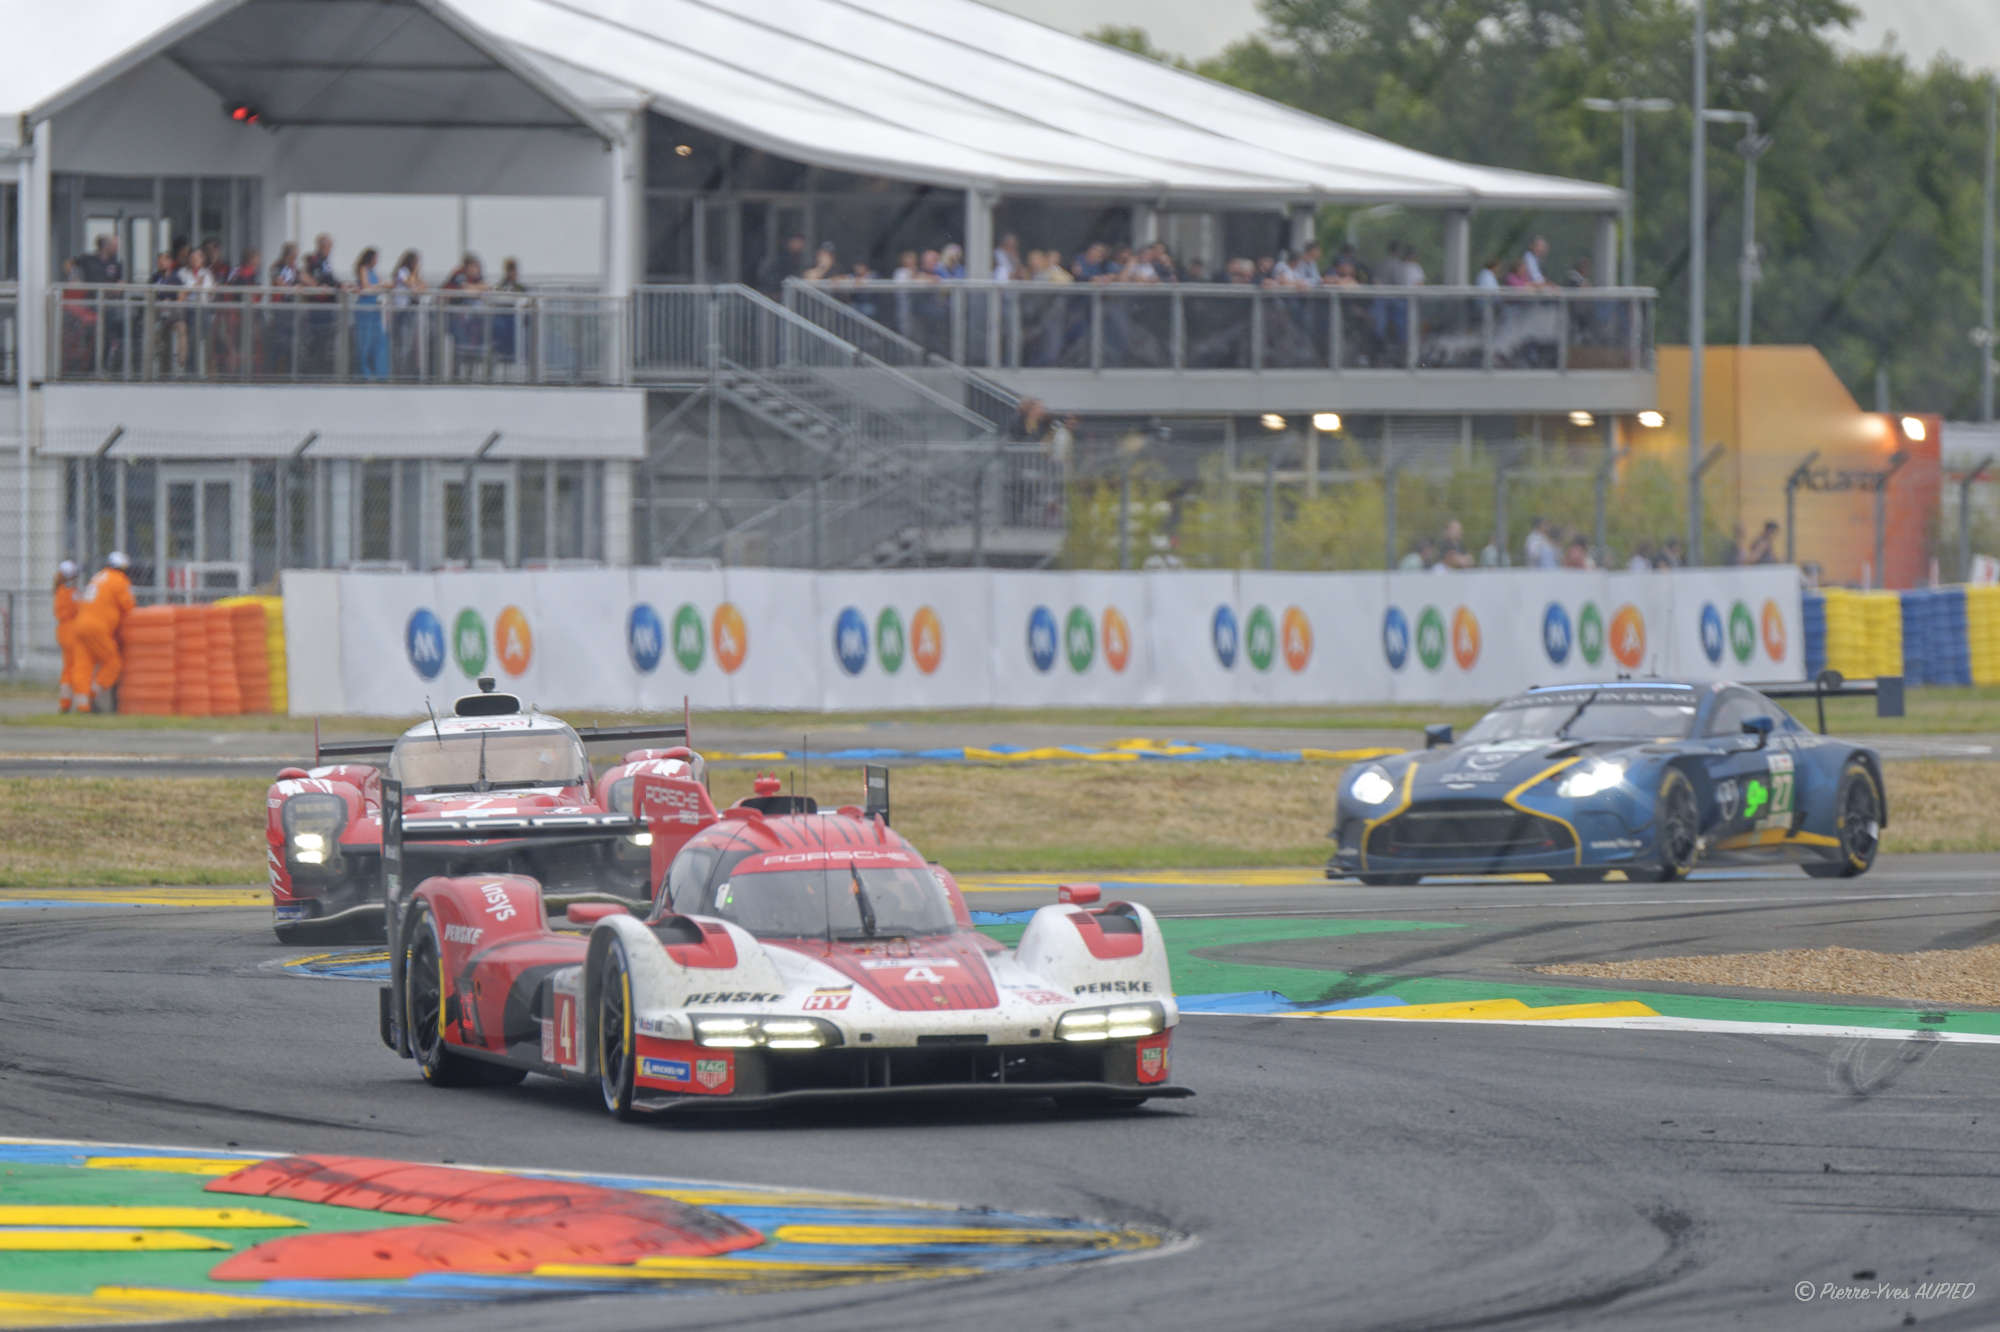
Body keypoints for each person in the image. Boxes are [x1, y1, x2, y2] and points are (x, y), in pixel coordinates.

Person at [74, 552, 135, 714]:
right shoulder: (118, 580)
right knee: (113, 663)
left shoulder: (98, 577)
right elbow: (128, 605)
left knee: (83, 665)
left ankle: (82, 705)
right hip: (98, 627)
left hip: (80, 625)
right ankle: (93, 694)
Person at [52, 560, 87, 714]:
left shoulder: (59, 590)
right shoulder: (70, 591)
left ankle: (65, 703)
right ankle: (82, 705)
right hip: (72, 630)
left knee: (67, 668)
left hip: (63, 630)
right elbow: (79, 607)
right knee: (79, 666)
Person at [352, 247, 388, 380]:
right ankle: (363, 372)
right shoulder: (364, 269)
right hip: (365, 308)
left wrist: (383, 285)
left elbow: (379, 284)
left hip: (374, 309)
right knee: (364, 341)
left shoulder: (374, 272)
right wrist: (381, 286)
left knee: (377, 340)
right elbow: (366, 286)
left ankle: (378, 372)